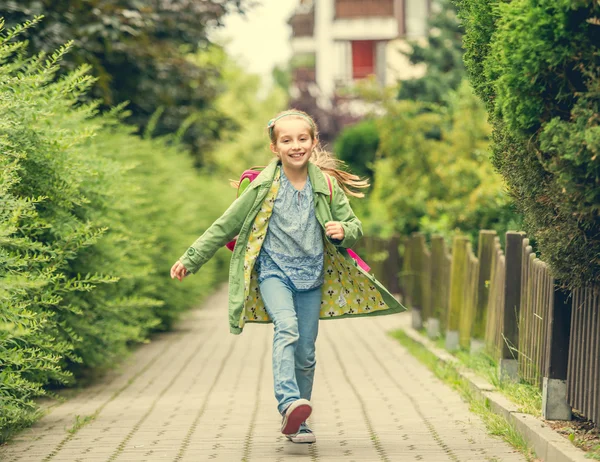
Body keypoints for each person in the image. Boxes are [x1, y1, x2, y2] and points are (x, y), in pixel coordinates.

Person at [170, 109, 405, 444]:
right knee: (286, 327)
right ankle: (288, 402)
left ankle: (300, 421)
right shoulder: (263, 186)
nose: (296, 145)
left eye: (302, 139)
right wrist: (190, 259)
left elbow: (354, 225)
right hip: (274, 272)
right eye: (287, 140)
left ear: (312, 142)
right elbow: (225, 224)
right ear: (275, 148)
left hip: (312, 276)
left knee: (306, 352)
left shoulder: (325, 185)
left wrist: (344, 231)